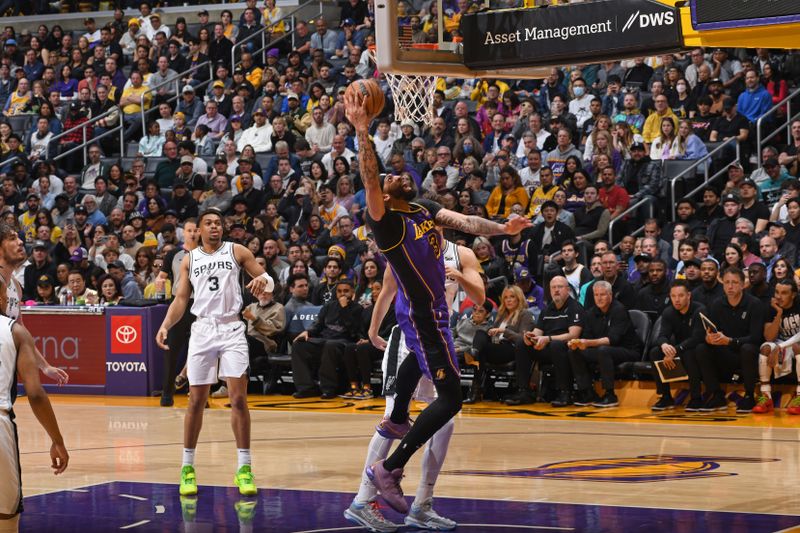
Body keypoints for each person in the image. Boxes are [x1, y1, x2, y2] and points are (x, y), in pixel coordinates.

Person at [343, 89, 530, 515]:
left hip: (430, 318)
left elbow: (465, 221)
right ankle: (387, 470)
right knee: (451, 399)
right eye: (390, 179)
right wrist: (361, 130)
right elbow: (370, 178)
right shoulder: (386, 224)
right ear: (383, 197)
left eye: (399, 173)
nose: (396, 175)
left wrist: (503, 228)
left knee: (417, 397)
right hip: (425, 318)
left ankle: (396, 427)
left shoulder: (423, 208)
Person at [346, 236, 484, 531]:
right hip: (408, 342)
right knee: (394, 418)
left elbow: (481, 296)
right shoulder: (404, 250)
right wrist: (372, 331)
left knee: (445, 420)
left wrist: (459, 276)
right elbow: (386, 292)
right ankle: (362, 501)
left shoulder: (461, 254)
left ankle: (422, 503)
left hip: (438, 339)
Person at [155, 209, 275, 497]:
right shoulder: (190, 259)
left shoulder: (237, 251)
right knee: (196, 400)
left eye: (218, 223)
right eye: (208, 224)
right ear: (197, 230)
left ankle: (244, 468)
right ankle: (187, 468)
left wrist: (265, 284)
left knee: (238, 398)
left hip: (232, 328)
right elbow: (181, 298)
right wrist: (165, 325)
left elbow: (268, 284)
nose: (214, 227)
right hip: (203, 329)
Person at [0, 304, 69, 533]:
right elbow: (36, 394)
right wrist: (57, 440)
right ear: (2, 298)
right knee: (6, 516)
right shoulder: (15, 331)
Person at [507, 276, 584, 406]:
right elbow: (538, 331)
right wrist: (530, 337)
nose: (556, 290)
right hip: (546, 347)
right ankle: (524, 391)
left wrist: (547, 339)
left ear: (567, 289)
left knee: (556, 345)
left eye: (560, 287)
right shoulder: (547, 309)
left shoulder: (575, 307)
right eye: (553, 287)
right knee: (521, 342)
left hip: (565, 348)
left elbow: (573, 335)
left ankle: (565, 392)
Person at [695, 267, 763, 413]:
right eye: (726, 283)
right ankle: (717, 395)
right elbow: (710, 331)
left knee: (748, 348)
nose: (730, 286)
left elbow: (757, 337)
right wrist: (709, 338)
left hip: (746, 353)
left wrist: (731, 341)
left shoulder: (754, 304)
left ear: (743, 284)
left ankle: (749, 395)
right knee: (702, 348)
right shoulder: (717, 304)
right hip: (725, 352)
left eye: (734, 282)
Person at [568, 281, 642, 407]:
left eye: (602, 294)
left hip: (628, 350)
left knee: (604, 350)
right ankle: (587, 392)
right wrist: (578, 343)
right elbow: (586, 336)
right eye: (596, 295)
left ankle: (610, 395)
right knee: (574, 351)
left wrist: (587, 343)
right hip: (603, 350)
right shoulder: (591, 313)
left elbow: (613, 340)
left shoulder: (619, 310)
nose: (599, 298)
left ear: (610, 295)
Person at [649, 280, 706, 411]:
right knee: (655, 352)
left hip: (697, 349)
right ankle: (666, 396)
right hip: (679, 348)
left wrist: (674, 350)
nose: (677, 300)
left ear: (689, 295)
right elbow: (662, 335)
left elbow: (697, 338)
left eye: (680, 296)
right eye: (673, 296)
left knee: (689, 353)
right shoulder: (669, 312)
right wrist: (664, 345)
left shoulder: (700, 309)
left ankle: (696, 397)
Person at [756, 279, 800, 414]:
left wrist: (780, 347)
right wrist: (779, 313)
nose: (779, 296)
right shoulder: (770, 307)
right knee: (765, 348)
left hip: (795, 344)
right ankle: (766, 397)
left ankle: (799, 396)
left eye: (784, 293)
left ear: (793, 295)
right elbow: (769, 337)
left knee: (797, 346)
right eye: (777, 292)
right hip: (781, 344)